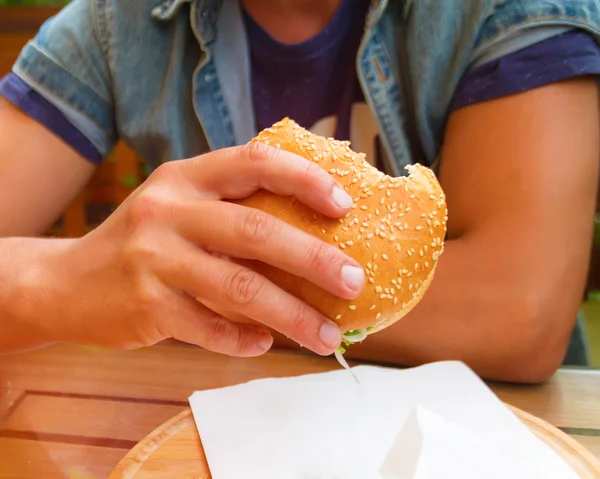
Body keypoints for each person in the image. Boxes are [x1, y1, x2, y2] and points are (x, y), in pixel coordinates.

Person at [0, 0, 599, 383]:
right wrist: (61, 277)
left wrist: (211, 279)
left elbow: (521, 312)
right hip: (212, 426)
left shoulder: (509, 10)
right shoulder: (112, 25)